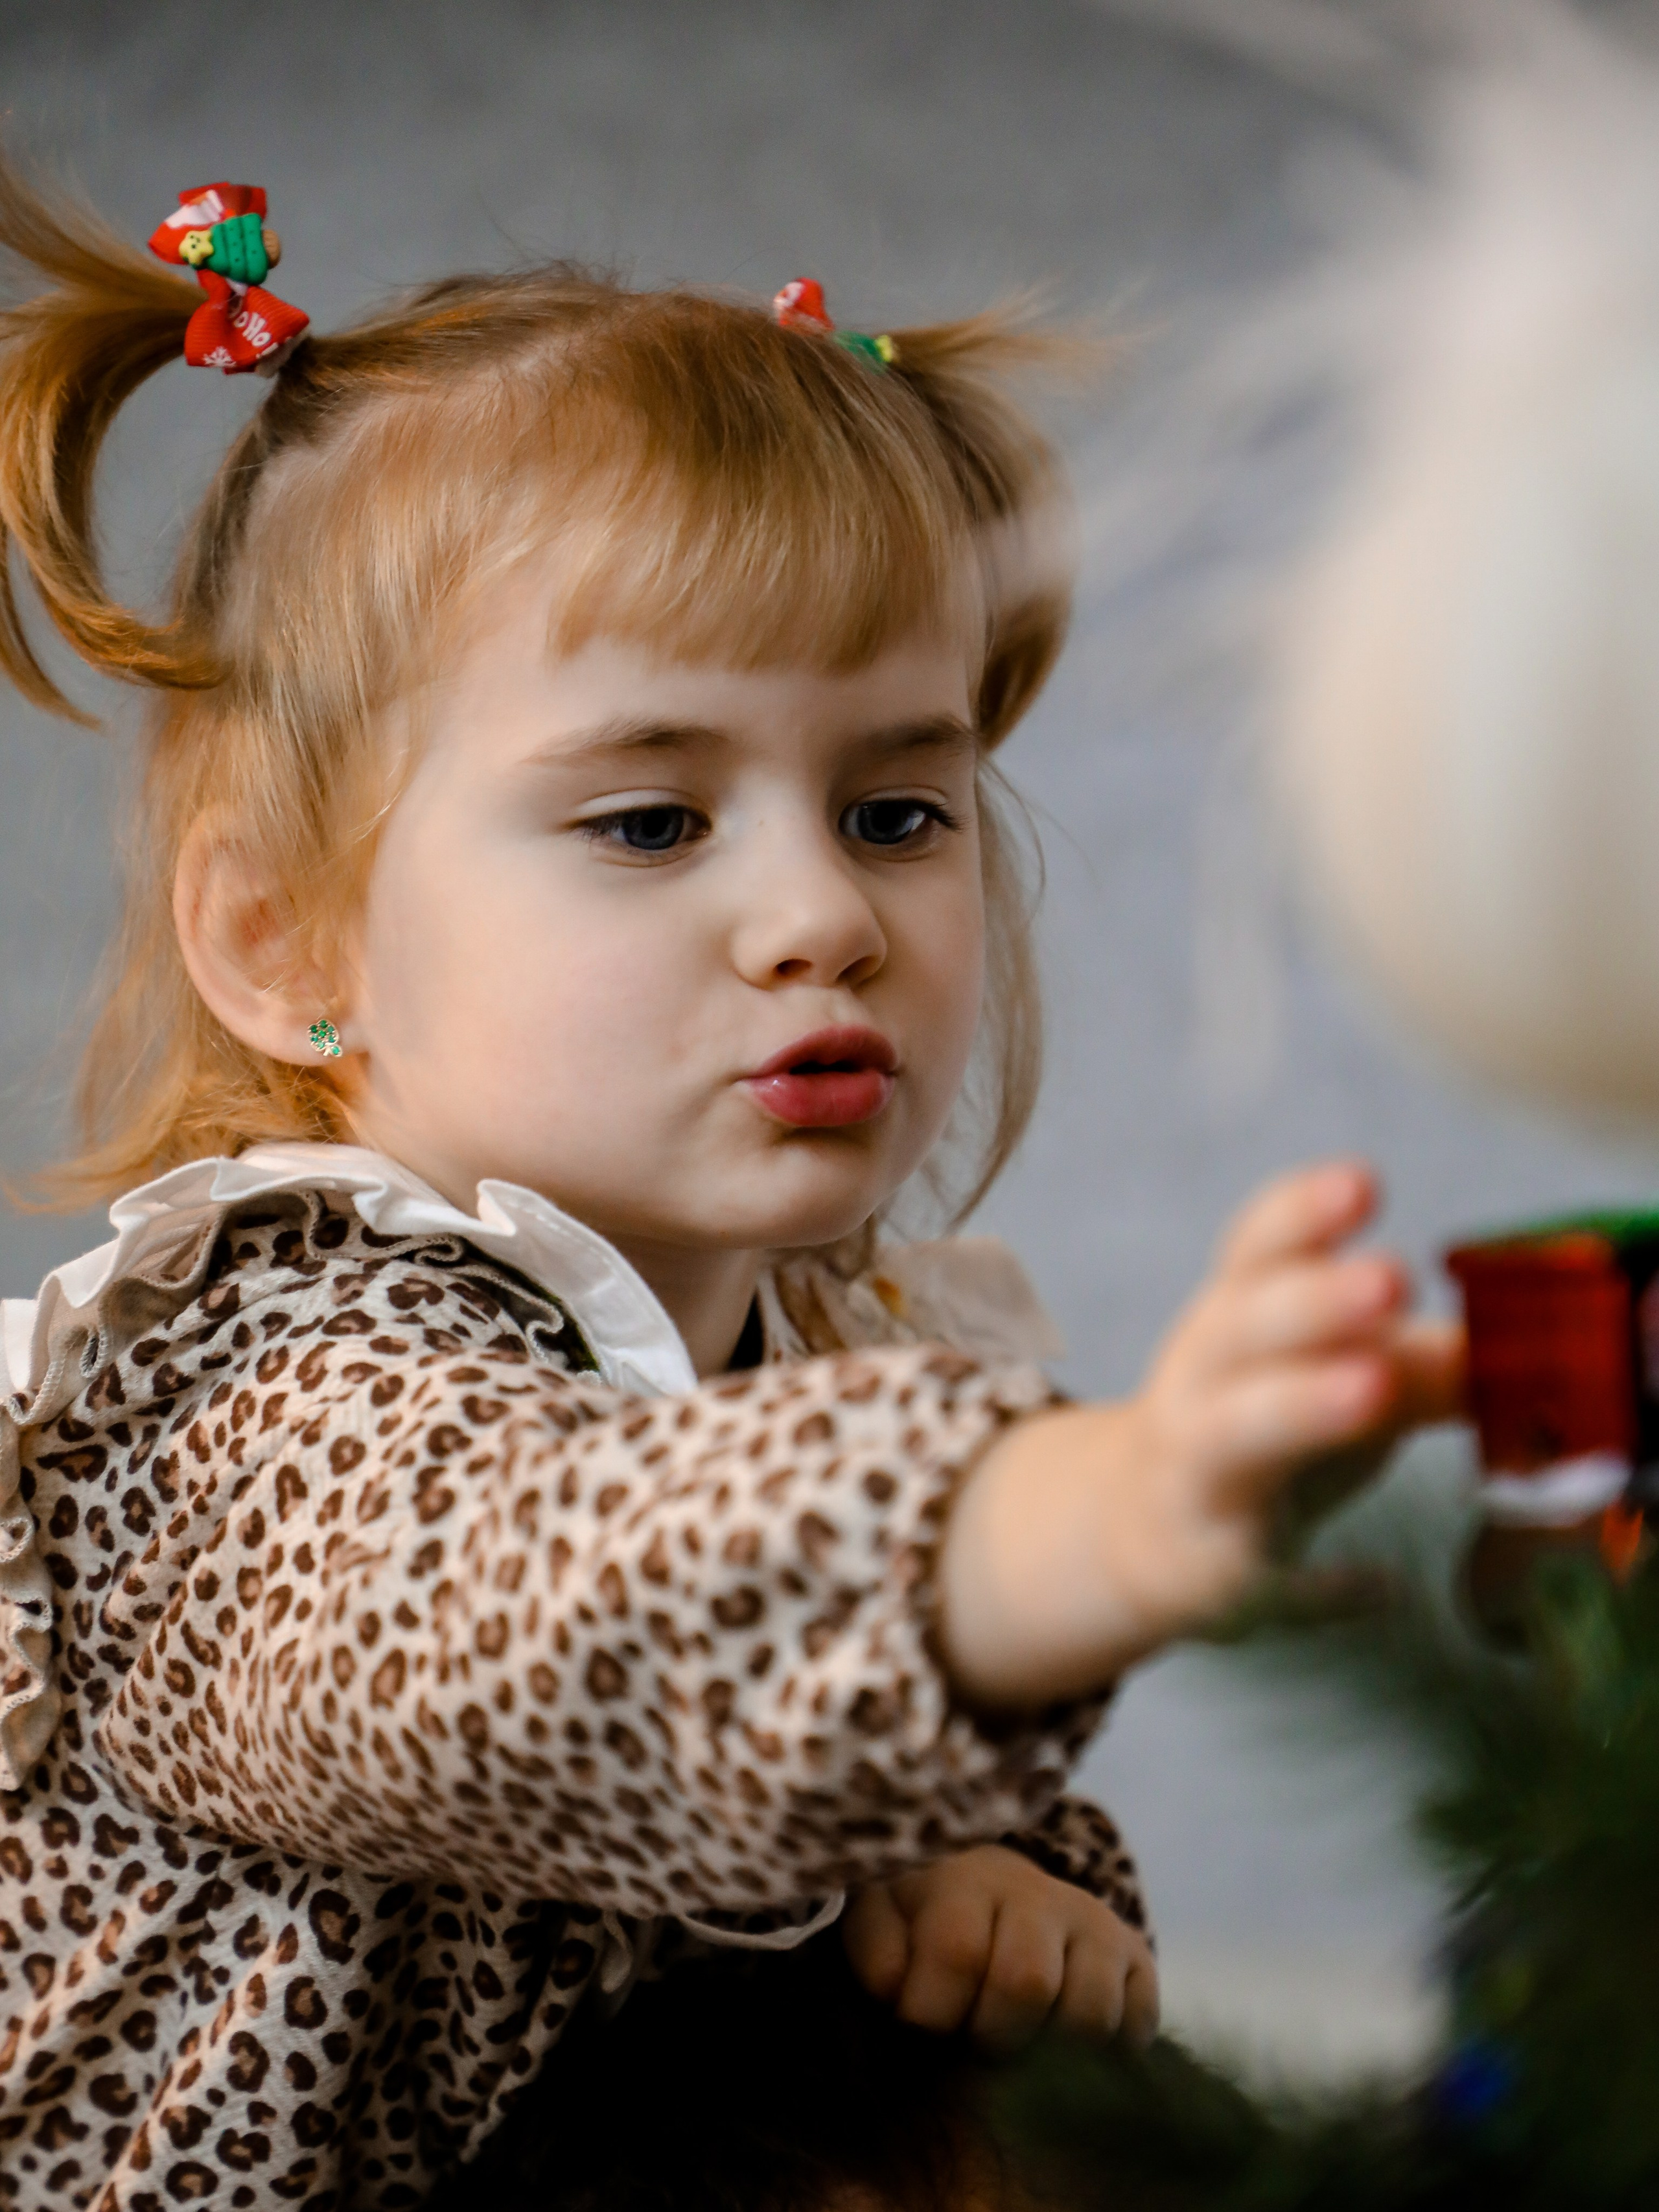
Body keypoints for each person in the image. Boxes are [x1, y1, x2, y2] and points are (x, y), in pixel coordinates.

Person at [0, 161, 1458, 2212]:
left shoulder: (788, 1350)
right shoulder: (266, 1386)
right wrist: (1074, 1517)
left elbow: (744, 1752)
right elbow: (531, 1618)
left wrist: (997, 1878)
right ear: (287, 941)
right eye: (651, 821)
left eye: (897, 808)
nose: (823, 914)